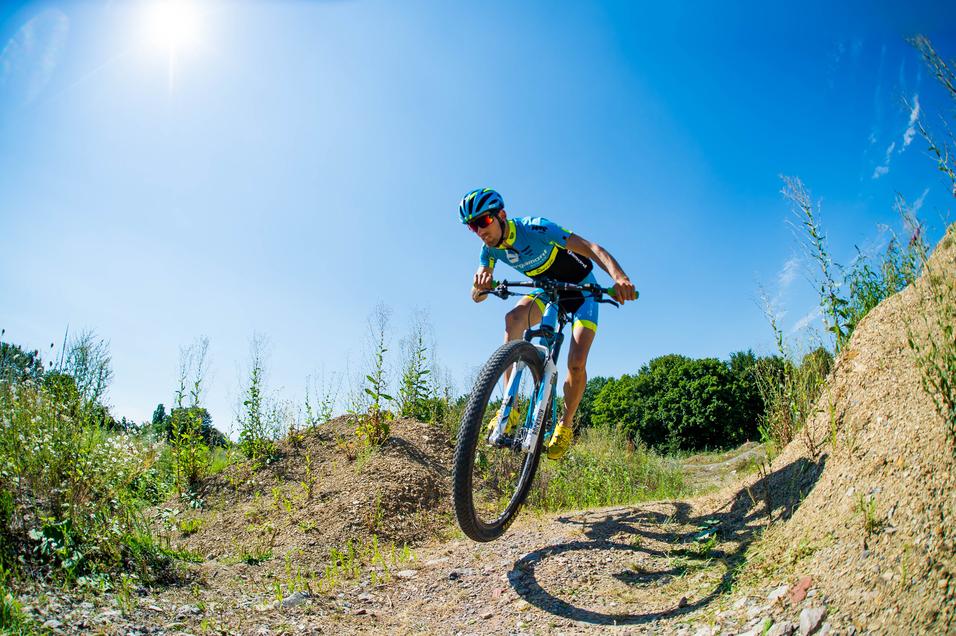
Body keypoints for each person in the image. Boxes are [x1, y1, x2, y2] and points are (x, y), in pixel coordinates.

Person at [460, 187, 637, 459]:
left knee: (576, 362)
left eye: (483, 221)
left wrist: (620, 277)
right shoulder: (489, 251)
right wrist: (480, 286)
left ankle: (565, 426)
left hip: (581, 290)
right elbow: (477, 296)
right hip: (544, 289)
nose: (480, 231)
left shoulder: (537, 228)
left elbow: (592, 248)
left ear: (501, 215)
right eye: (473, 227)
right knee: (513, 319)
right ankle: (511, 406)